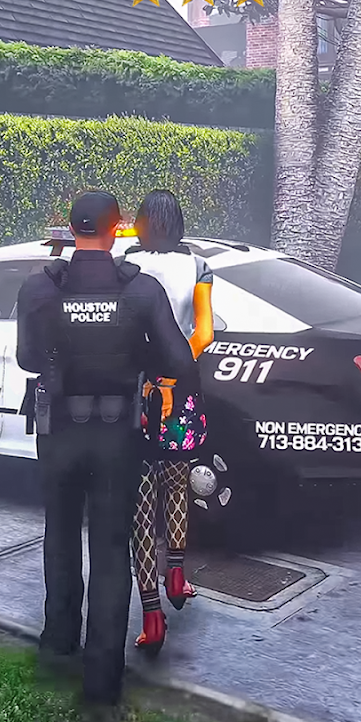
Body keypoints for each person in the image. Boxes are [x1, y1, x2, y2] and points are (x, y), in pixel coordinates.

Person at [16, 191, 197, 722]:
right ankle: (101, 681)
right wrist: (140, 357)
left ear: (72, 229)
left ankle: (58, 645)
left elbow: (27, 358)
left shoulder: (41, 286)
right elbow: (180, 363)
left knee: (60, 534)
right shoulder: (139, 288)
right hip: (118, 435)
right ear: (118, 229)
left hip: (59, 432)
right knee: (112, 549)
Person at [123, 190, 215, 654]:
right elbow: (205, 332)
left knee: (141, 502)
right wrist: (175, 363)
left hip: (137, 391)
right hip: (179, 389)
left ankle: (152, 616)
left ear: (141, 223)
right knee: (177, 484)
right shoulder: (197, 266)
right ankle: (177, 575)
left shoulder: (125, 265)